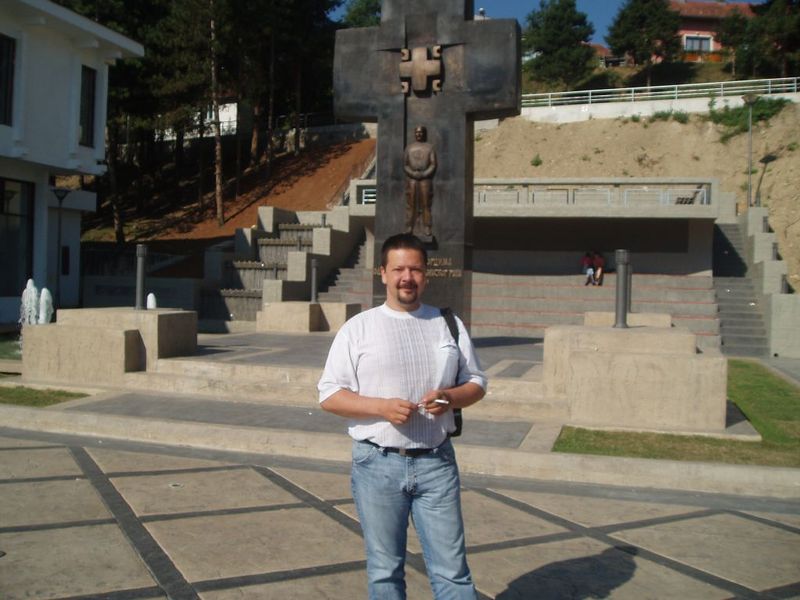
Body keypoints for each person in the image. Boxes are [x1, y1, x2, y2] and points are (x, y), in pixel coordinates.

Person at [318, 233, 487, 600]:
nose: (407, 278)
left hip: (437, 463)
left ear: (426, 275)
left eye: (415, 269)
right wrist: (381, 407)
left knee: (453, 573)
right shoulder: (358, 328)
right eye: (398, 269)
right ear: (382, 273)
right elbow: (329, 395)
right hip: (377, 465)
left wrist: (450, 398)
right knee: (385, 571)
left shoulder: (448, 323)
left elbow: (476, 382)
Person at [404, 125, 437, 236]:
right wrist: (412, 173)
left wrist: (424, 174)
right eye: (417, 132)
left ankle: (427, 226)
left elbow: (433, 164)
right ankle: (409, 226)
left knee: (426, 204)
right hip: (412, 179)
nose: (419, 134)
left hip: (425, 179)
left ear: (424, 133)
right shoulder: (409, 148)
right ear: (415, 133)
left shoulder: (429, 147)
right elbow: (405, 165)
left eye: (421, 132)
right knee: (411, 203)